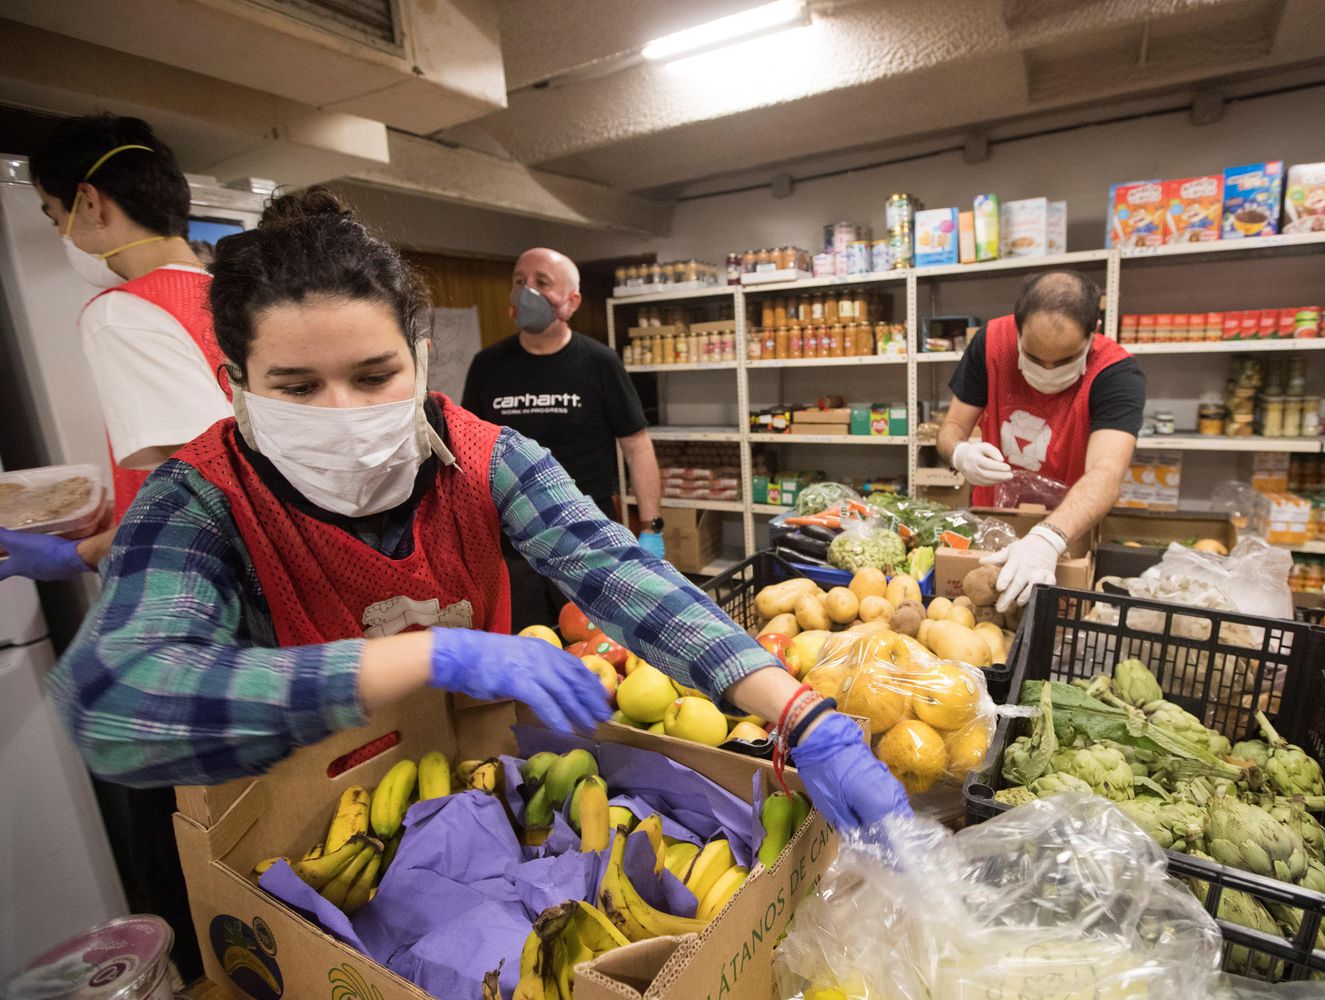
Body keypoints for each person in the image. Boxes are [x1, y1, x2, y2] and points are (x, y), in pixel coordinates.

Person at [52, 188, 908, 842]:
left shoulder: (488, 458)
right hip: (304, 824)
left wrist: (802, 717)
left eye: (375, 373)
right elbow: (118, 702)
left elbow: (618, 574)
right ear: (235, 385)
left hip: (474, 785)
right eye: (297, 387)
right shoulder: (200, 497)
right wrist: (427, 655)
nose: (344, 410)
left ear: (422, 359)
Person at [0, 114, 231, 582]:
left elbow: (207, 494)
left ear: (88, 202)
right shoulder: (230, 293)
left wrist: (79, 553)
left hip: (193, 579)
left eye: (55, 214)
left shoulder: (123, 313)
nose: (62, 232)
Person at [462, 248, 665, 628]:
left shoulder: (599, 362)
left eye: (542, 283)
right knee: (528, 643)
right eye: (519, 282)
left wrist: (652, 528)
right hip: (512, 542)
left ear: (571, 302)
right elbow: (469, 451)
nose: (527, 292)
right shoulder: (487, 365)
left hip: (586, 536)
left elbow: (637, 448)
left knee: (596, 642)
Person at [939, 270, 1145, 611]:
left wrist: (1047, 539)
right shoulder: (991, 342)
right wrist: (960, 453)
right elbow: (951, 428)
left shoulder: (1117, 373)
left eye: (1064, 361)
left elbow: (1106, 473)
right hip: (993, 523)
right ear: (1017, 329)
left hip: (1067, 533)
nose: (1048, 371)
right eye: (1034, 358)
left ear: (1093, 332)